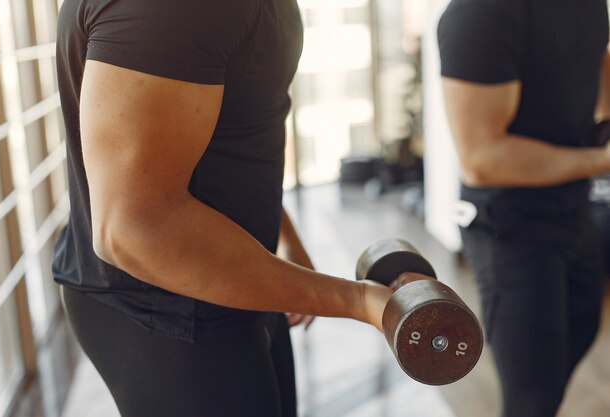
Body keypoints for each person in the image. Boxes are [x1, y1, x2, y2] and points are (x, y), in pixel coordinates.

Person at [52, 1, 394, 416]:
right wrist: (357, 301)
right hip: (168, 305)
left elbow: (225, 132)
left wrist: (282, 240)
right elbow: (136, 228)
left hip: (234, 273)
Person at [438, 0, 610, 416]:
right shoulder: (480, 13)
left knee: (580, 332)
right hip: (510, 225)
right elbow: (482, 158)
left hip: (574, 203)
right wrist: (604, 160)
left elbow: (592, 57)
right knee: (532, 395)